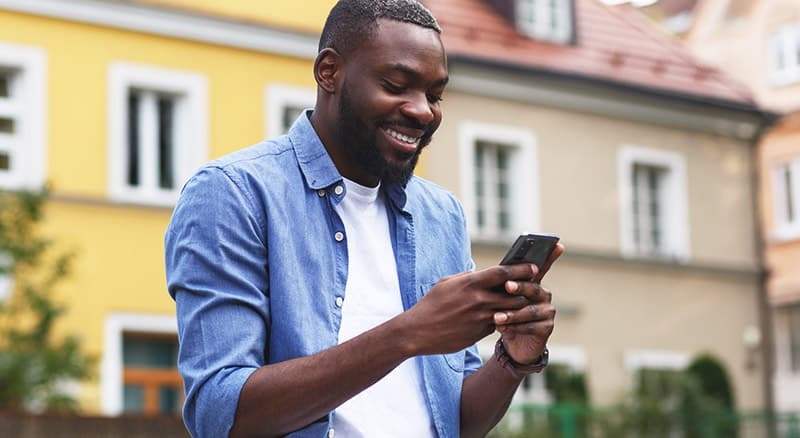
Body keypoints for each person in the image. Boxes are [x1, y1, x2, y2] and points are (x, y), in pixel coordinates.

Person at [164, 1, 563, 437]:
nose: (423, 111)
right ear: (329, 72)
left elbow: (456, 423)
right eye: (396, 85)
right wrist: (408, 333)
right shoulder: (233, 194)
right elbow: (220, 412)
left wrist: (511, 360)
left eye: (434, 95)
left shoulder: (441, 215)